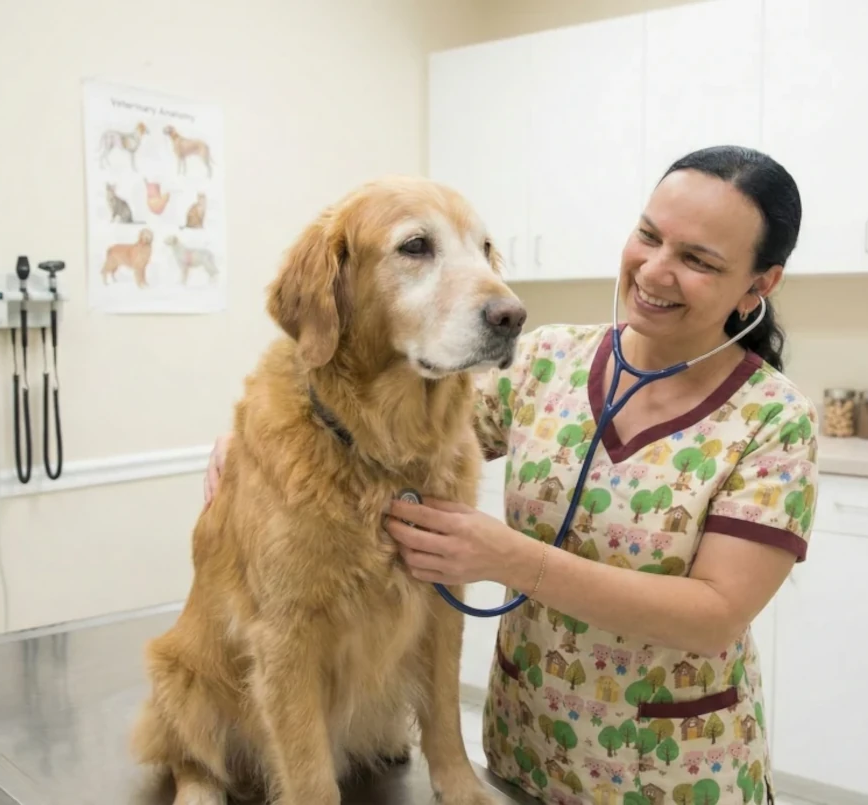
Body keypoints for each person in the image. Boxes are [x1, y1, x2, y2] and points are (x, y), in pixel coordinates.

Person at [203, 145, 816, 805]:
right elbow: (391, 443)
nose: (656, 270)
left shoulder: (774, 421)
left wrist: (512, 558)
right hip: (524, 755)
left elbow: (714, 615)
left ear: (759, 285)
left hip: (673, 777)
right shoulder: (550, 361)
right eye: (648, 236)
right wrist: (258, 437)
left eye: (698, 260)